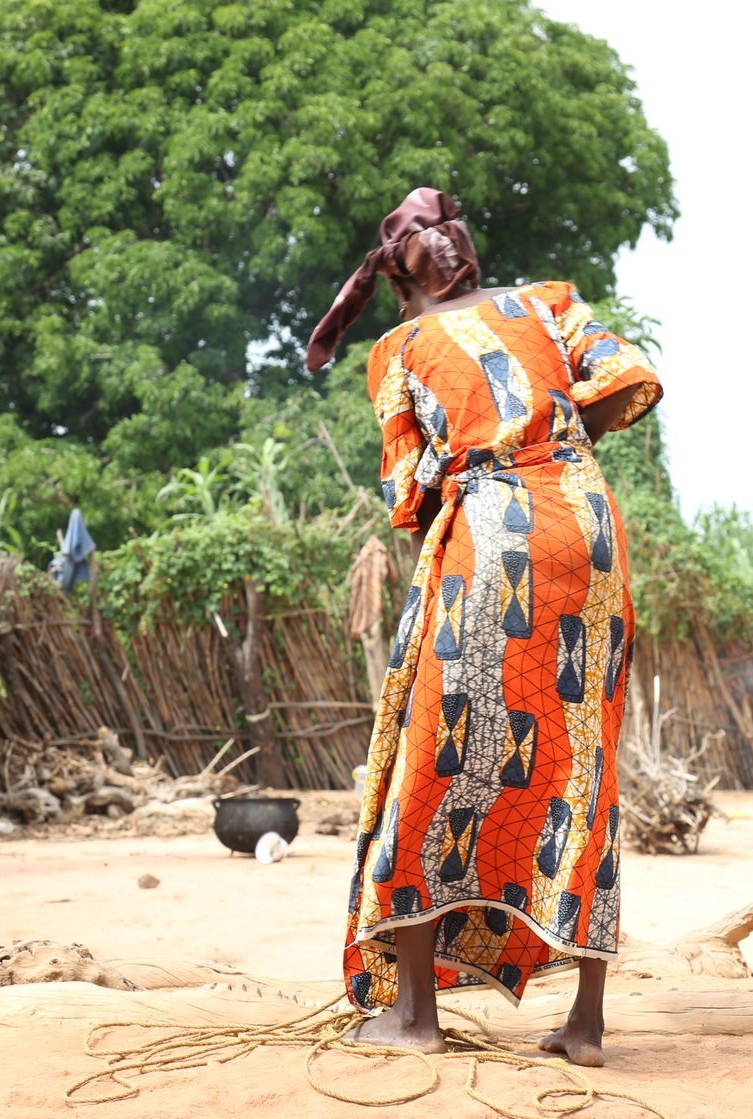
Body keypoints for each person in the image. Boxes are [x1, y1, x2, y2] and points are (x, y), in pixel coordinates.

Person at [305, 188, 661, 1064]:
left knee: (435, 758)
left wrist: (482, 465)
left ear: (398, 279)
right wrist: (552, 436)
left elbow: (406, 497)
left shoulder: (397, 347)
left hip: (499, 524)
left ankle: (417, 1018)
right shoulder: (546, 301)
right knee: (581, 756)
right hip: (588, 520)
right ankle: (586, 1025)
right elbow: (624, 380)